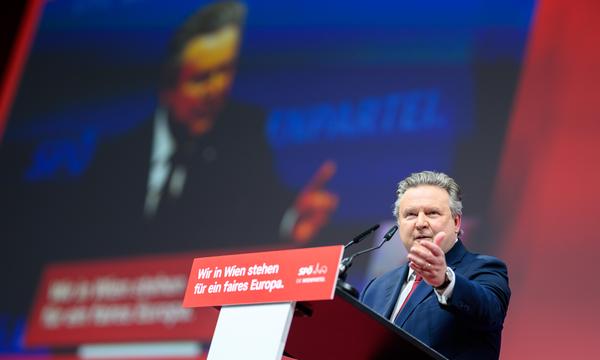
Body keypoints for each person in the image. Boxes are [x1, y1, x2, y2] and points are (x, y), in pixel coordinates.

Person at [81, 1, 337, 255]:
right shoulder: (114, 158)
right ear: (167, 88)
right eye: (201, 78)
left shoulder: (244, 130)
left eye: (225, 71)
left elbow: (260, 210)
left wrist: (291, 222)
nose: (217, 89)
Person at [360, 171, 510, 360]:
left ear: (456, 222)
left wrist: (444, 281)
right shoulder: (376, 287)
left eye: (432, 213)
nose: (420, 223)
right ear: (399, 223)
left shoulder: (485, 269)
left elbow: (489, 313)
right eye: (410, 215)